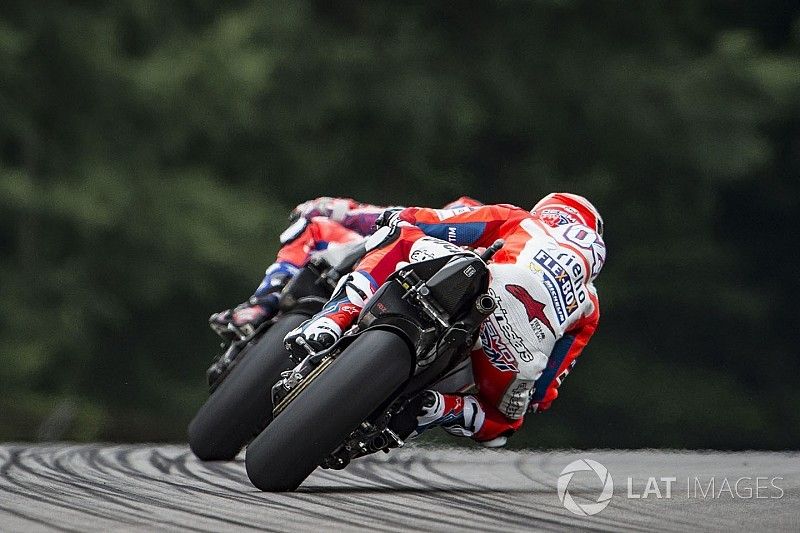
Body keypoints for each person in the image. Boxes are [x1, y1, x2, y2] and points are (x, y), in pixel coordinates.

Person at [284, 193, 606, 447]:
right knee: (505, 424)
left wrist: (382, 218)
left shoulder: (521, 221)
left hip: (483, 291)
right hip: (514, 359)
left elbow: (428, 221)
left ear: (548, 213)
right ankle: (444, 409)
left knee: (401, 235)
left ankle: (333, 318)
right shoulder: (590, 305)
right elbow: (543, 393)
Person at [209, 196, 483, 339]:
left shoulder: (500, 269)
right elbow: (374, 216)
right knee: (315, 227)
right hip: (380, 265)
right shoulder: (430, 220)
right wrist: (329, 208)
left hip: (435, 314)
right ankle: (264, 303)